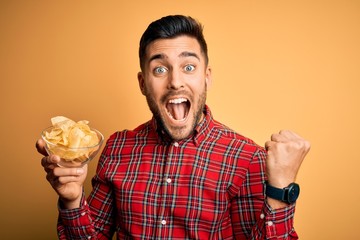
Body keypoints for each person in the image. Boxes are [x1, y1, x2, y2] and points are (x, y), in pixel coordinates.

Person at [36, 15, 310, 239]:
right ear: (143, 83)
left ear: (207, 77)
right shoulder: (118, 147)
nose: (175, 82)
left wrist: (281, 191)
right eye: (160, 69)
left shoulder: (246, 158)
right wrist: (72, 200)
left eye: (188, 67)